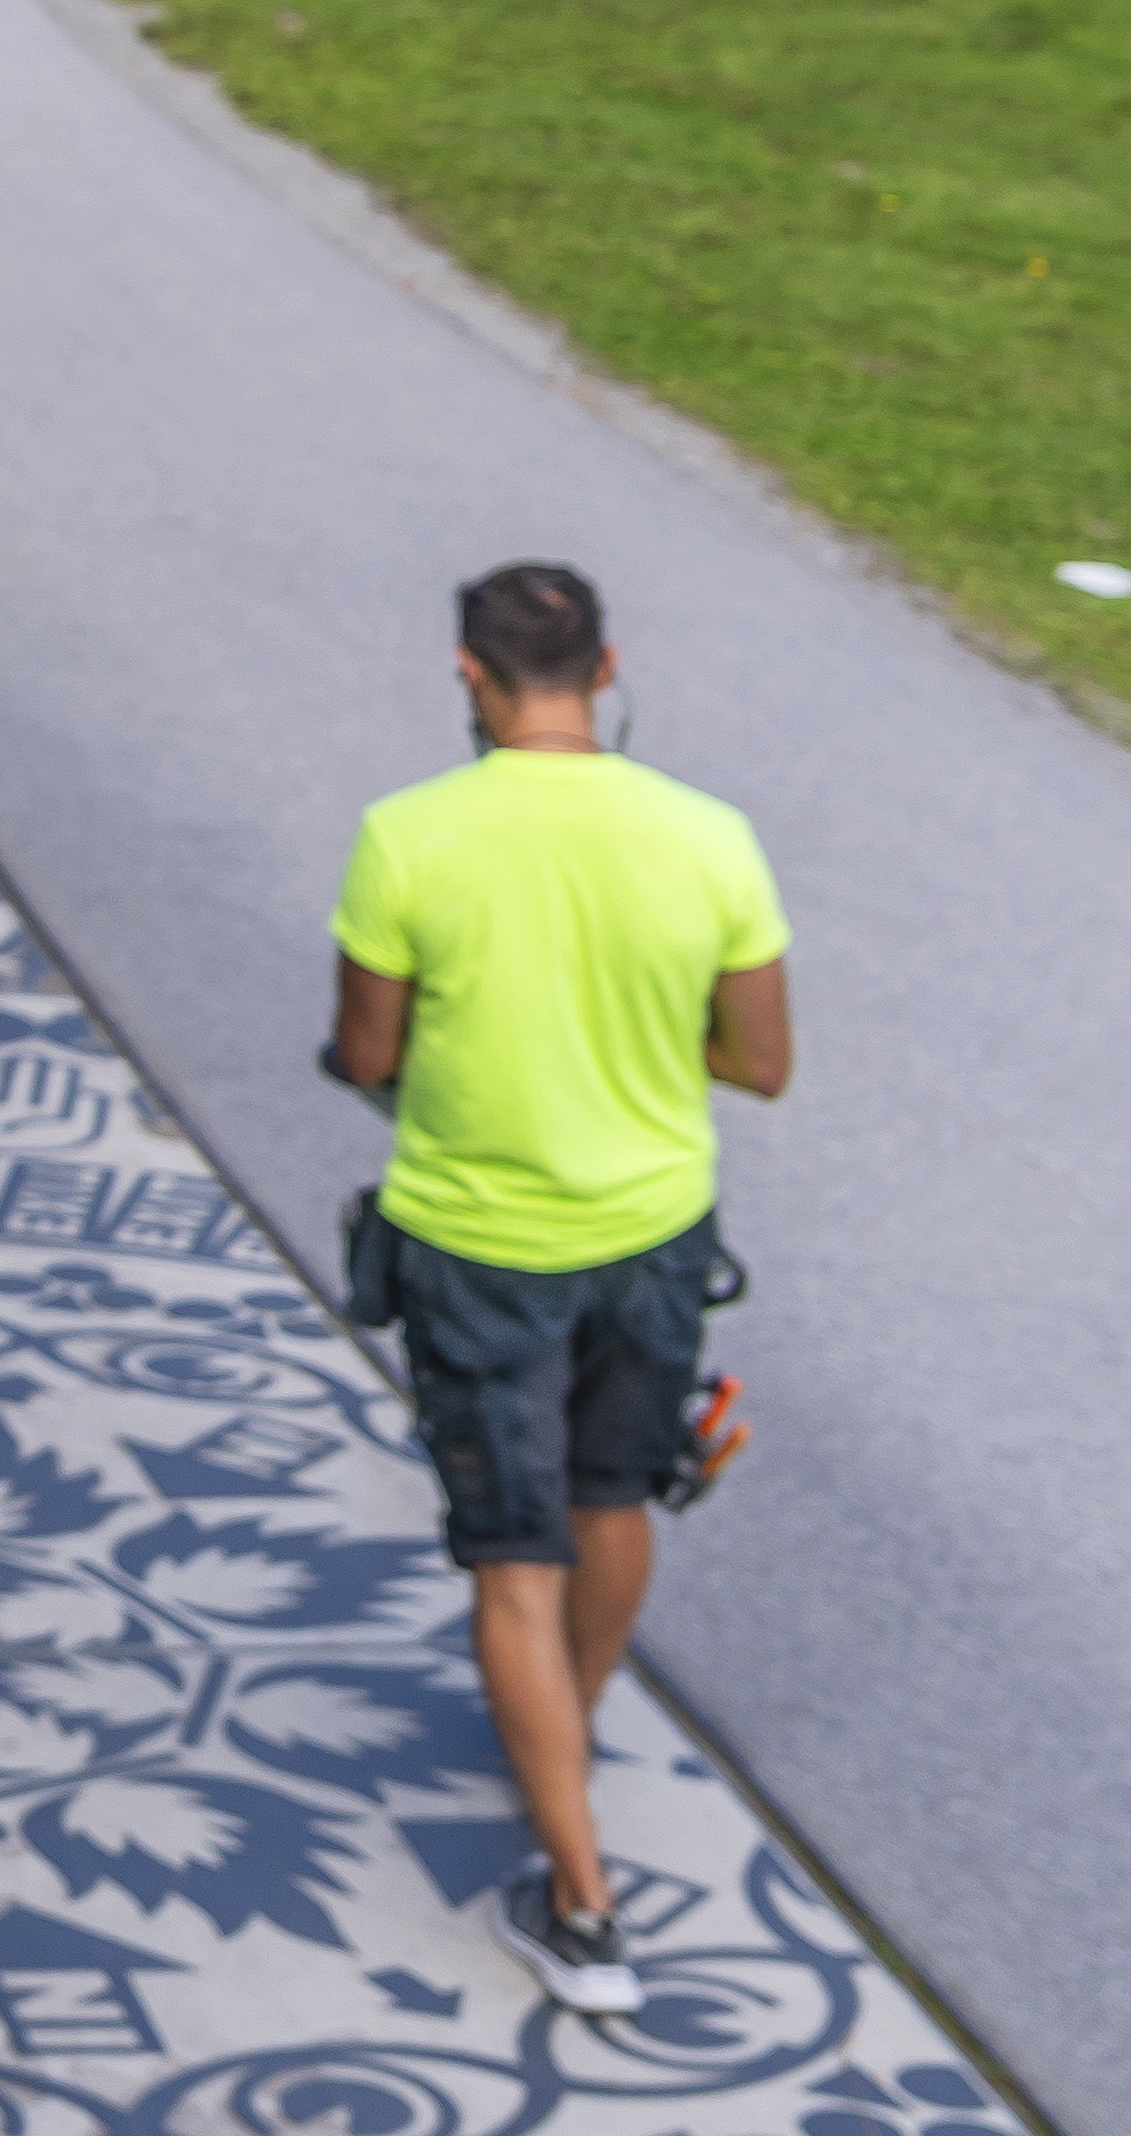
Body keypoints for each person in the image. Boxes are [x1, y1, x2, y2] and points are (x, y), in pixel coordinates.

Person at [326, 556, 792, 2023]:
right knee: (610, 1503)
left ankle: (582, 1907)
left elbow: (363, 1054)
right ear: (606, 667)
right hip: (652, 1238)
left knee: (508, 1562)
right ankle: (564, 1735)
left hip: (476, 1249)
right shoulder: (710, 837)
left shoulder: (406, 839)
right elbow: (761, 1060)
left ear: (467, 678)